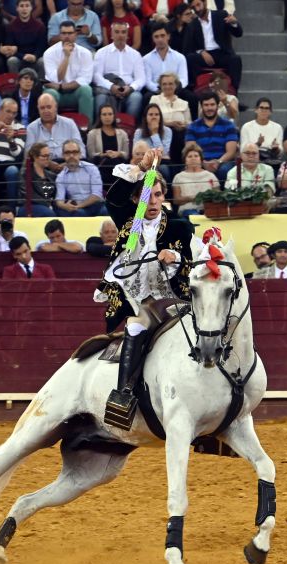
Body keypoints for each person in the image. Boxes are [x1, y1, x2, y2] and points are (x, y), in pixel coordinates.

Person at [96, 147, 195, 428]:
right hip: (139, 299)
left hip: (173, 298)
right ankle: (123, 395)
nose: (152, 201)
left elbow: (194, 260)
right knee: (137, 325)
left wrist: (174, 256)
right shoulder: (132, 223)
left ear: (164, 197)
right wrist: (141, 168)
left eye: (158, 195)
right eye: (145, 196)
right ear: (136, 200)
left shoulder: (179, 227)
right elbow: (114, 198)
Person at [183, 0, 243, 92]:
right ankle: (195, 90)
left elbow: (238, 34)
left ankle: (233, 91)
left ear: (205, 3)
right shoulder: (193, 24)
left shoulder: (221, 15)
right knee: (190, 58)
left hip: (222, 53)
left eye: (198, 5)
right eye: (194, 7)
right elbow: (188, 47)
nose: (197, 9)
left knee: (235, 60)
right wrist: (201, 52)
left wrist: (234, 23)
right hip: (205, 55)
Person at [92, 20, 145, 122]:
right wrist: (111, 87)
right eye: (117, 32)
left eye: (123, 32)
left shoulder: (135, 55)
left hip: (128, 89)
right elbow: (96, 76)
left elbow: (141, 79)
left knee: (136, 97)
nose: (120, 35)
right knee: (101, 98)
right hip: (107, 89)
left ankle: (129, 128)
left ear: (127, 35)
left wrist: (130, 88)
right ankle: (100, 128)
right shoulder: (101, 53)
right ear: (111, 34)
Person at [43, 20, 95, 123]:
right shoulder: (49, 53)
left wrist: (62, 86)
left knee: (86, 90)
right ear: (60, 35)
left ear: (75, 34)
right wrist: (66, 57)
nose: (67, 36)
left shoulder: (85, 53)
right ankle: (51, 128)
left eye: (70, 33)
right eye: (64, 33)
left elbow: (85, 79)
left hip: (76, 92)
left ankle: (86, 128)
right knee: (49, 94)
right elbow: (55, 79)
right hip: (56, 92)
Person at [185, 89, 238, 182]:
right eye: (206, 105)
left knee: (224, 170)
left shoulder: (228, 125)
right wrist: (203, 163)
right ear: (201, 107)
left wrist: (218, 162)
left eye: (212, 105)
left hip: (223, 162)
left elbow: (231, 152)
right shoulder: (192, 127)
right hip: (200, 162)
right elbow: (190, 149)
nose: (209, 108)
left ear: (218, 106)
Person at [24, 91, 84, 158]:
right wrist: (49, 164)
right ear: (38, 109)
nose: (46, 111)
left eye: (49, 107)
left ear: (55, 107)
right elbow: (29, 154)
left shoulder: (69, 124)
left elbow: (81, 150)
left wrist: (67, 162)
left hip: (68, 163)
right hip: (43, 165)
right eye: (42, 108)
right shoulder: (31, 128)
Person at [55, 138, 105, 216]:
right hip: (79, 208)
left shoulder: (91, 168)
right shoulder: (61, 176)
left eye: (75, 152)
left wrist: (78, 206)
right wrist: (64, 206)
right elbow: (59, 199)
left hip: (97, 204)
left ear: (80, 154)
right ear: (63, 155)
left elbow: (96, 195)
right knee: (78, 214)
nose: (71, 155)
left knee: (107, 211)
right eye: (67, 153)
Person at [87, 102, 130, 185]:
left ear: (114, 116)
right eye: (104, 114)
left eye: (110, 114)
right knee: (107, 161)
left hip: (118, 164)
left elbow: (126, 154)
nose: (107, 117)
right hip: (101, 164)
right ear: (100, 116)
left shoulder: (123, 134)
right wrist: (104, 154)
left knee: (116, 162)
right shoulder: (92, 134)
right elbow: (91, 154)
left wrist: (117, 154)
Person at [171, 140, 218, 215]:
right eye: (190, 156)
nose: (193, 158)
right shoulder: (178, 177)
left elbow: (217, 196)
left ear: (201, 159)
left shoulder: (210, 176)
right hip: (187, 210)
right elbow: (176, 200)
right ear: (185, 160)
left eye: (196, 156)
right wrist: (193, 198)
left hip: (208, 210)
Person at [16, 141, 58, 216]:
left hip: (48, 206)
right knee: (48, 213)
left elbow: (55, 195)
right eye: (44, 156)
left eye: (49, 155)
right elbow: (29, 194)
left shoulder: (51, 175)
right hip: (29, 206)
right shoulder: (26, 173)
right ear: (35, 157)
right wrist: (47, 204)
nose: (47, 159)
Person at [4, 0, 46, 74]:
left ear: (31, 8)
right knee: (12, 60)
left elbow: (41, 46)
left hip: (35, 57)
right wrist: (22, 56)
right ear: (17, 8)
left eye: (27, 6)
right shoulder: (11, 26)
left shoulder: (40, 26)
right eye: (21, 6)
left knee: (42, 61)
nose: (24, 9)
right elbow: (10, 47)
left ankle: (41, 84)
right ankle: (15, 84)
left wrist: (35, 56)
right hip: (19, 58)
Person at [239, 96, 282, 164]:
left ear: (270, 112)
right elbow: (242, 150)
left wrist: (276, 149)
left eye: (267, 108)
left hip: (270, 159)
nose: (264, 110)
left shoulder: (278, 127)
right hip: (251, 159)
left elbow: (280, 151)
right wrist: (257, 144)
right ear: (256, 110)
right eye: (261, 107)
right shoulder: (246, 127)